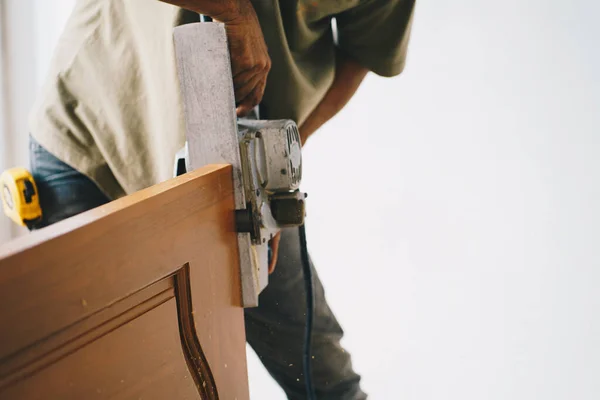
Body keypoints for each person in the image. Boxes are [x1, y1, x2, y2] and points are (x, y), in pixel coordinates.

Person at [28, 0, 415, 398]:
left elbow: (364, 51)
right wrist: (234, 11)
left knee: (325, 381)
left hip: (246, 177)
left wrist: (273, 164)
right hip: (96, 139)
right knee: (108, 381)